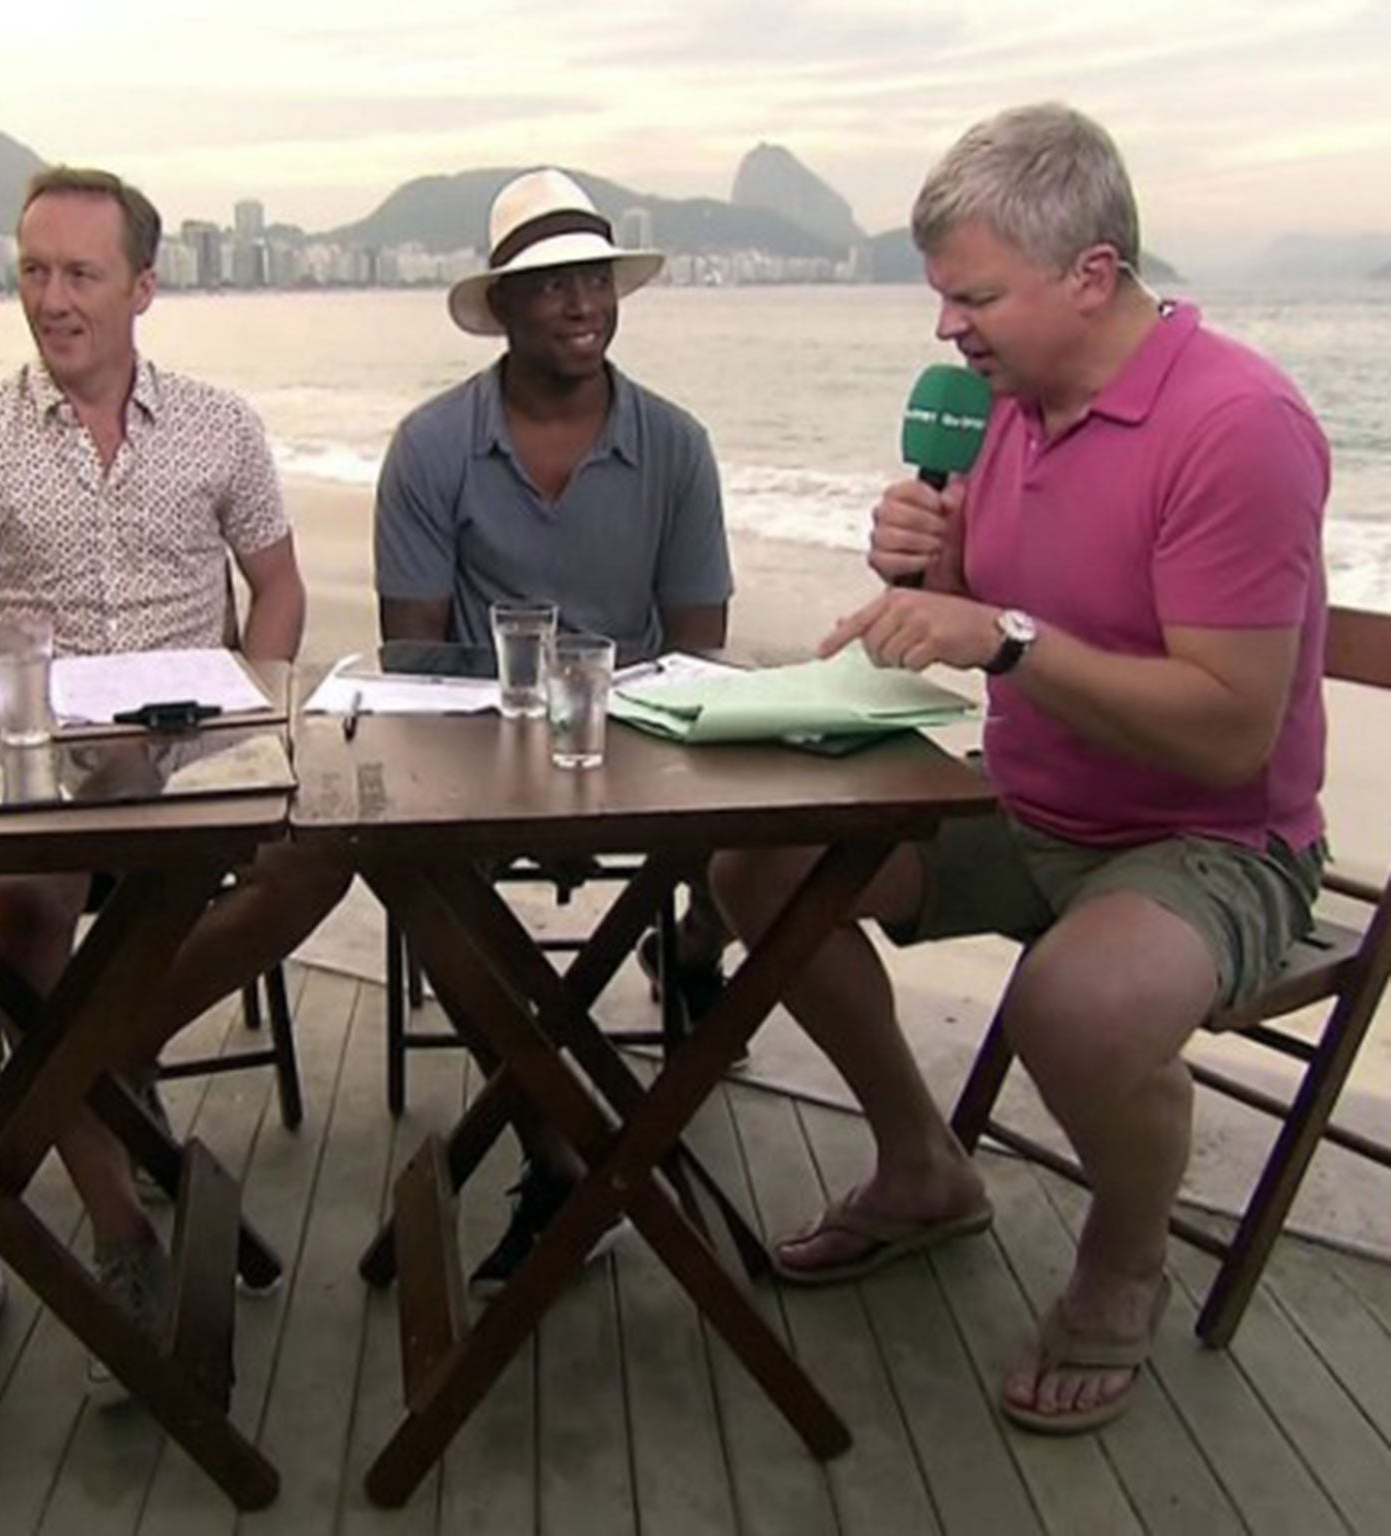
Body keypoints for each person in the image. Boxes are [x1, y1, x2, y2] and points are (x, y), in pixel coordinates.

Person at [712, 104, 1329, 1435]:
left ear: (1092, 275)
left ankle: (1124, 1257)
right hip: (1024, 801)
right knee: (755, 865)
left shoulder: (1239, 426)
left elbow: (1229, 730)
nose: (949, 330)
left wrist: (1000, 635)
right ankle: (923, 1164)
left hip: (1215, 841)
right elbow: (989, 605)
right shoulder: (998, 409)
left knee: (1078, 1006)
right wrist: (925, 568)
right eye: (943, 297)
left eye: (973, 295)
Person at [0, 166, 350, 1375]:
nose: (52, 300)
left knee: (318, 864)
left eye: (80, 275)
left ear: (141, 288)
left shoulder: (218, 425)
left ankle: (97, 1058)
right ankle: (116, 1219)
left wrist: (254, 712)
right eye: (33, 272)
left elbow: (278, 588)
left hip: (192, 747)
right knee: (19, 902)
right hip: (40, 756)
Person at [374, 166, 736, 1293]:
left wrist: (616, 748)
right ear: (502, 308)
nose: (580, 301)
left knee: (774, 826)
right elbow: (414, 664)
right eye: (547, 285)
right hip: (481, 742)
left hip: (639, 733)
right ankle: (558, 1147)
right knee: (409, 873)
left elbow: (696, 657)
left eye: (594, 278)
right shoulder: (431, 447)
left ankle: (684, 946)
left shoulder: (674, 446)